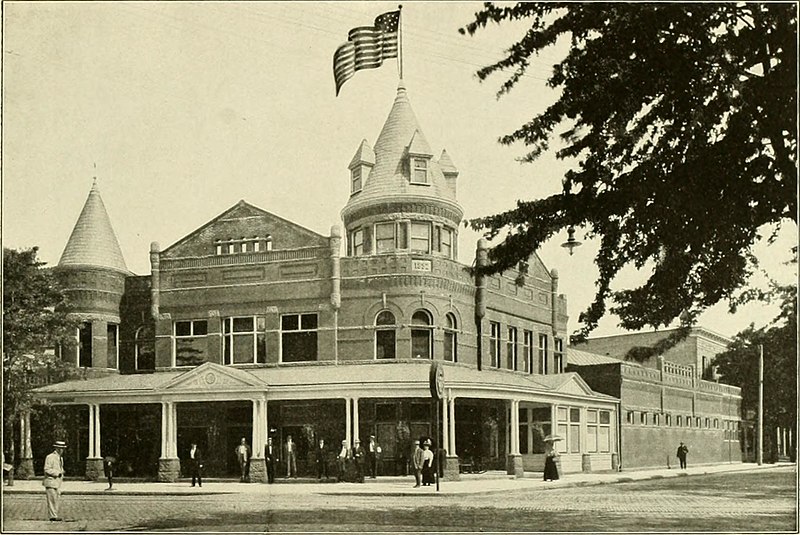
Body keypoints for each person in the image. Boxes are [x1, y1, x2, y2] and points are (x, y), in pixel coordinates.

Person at [43, 440, 66, 521]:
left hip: (57, 482)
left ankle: (55, 515)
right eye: (60, 448)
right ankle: (53, 516)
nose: (62, 450)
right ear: (57, 449)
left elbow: (59, 468)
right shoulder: (50, 457)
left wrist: (62, 471)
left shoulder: (60, 458)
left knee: (56, 499)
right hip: (51, 481)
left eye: (63, 448)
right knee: (52, 500)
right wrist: (57, 473)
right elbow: (47, 469)